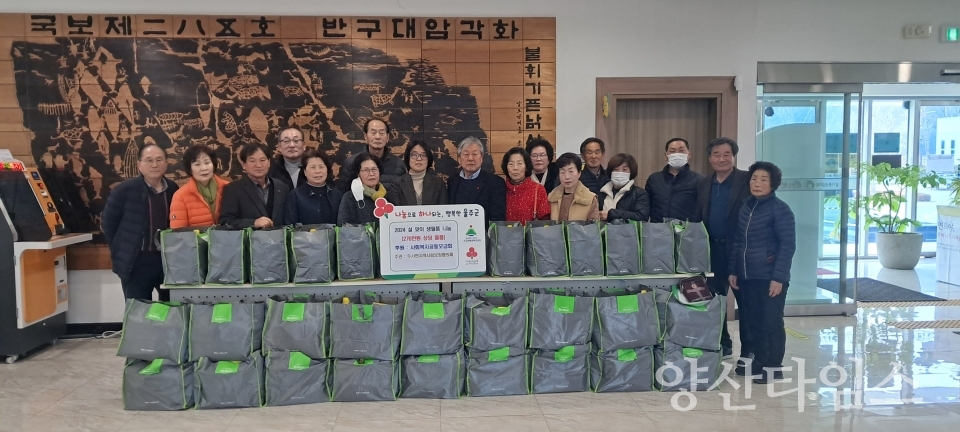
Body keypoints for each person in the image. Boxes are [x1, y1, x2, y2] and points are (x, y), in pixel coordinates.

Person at [728, 161, 796, 384]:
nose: (757, 184)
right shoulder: (746, 207)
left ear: (773, 183)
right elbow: (738, 240)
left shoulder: (781, 209)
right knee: (753, 320)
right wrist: (734, 270)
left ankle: (773, 366)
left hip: (769, 277)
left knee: (771, 322)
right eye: (754, 179)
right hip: (747, 276)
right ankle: (759, 361)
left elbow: (787, 245)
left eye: (763, 180)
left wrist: (778, 278)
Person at [697, 137, 752, 360]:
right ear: (710, 159)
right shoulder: (703, 183)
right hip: (711, 251)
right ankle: (723, 343)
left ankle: (750, 350)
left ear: (734, 157)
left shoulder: (746, 181)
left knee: (745, 303)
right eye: (717, 155)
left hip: (740, 253)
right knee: (714, 300)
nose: (722, 159)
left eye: (726, 154)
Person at [101, 144, 178, 301]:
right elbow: (108, 224)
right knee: (137, 310)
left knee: (172, 308)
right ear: (139, 165)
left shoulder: (173, 189)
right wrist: (121, 248)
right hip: (136, 261)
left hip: (167, 260)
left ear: (166, 163)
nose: (154, 165)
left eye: (159, 160)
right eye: (149, 160)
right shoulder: (123, 191)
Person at [219, 143, 290, 228]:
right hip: (249, 240)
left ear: (269, 162)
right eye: (252, 161)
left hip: (279, 239)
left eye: (262, 160)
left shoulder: (282, 187)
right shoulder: (233, 189)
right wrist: (253, 223)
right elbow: (226, 221)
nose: (258, 165)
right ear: (243, 164)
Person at [448, 137, 507, 225]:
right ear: (459, 158)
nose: (470, 158)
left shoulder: (495, 183)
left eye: (475, 154)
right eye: (466, 154)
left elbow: (497, 218)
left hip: (484, 236)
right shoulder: (452, 182)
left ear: (481, 157)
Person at [169, 144, 229, 228]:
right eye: (197, 164)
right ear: (190, 169)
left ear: (214, 164)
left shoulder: (228, 188)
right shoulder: (180, 196)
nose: (204, 168)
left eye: (207, 162)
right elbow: (178, 234)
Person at [337, 118, 406, 191]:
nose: (377, 137)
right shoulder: (351, 162)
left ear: (387, 137)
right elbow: (343, 193)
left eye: (382, 133)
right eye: (373, 133)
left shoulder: (398, 164)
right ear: (365, 136)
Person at [645, 138, 703, 222]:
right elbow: (647, 207)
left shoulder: (699, 180)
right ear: (666, 156)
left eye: (681, 150)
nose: (677, 154)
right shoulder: (654, 179)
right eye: (672, 151)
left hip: (687, 232)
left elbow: (702, 210)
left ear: (689, 154)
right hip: (658, 231)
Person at [284, 148, 343, 225]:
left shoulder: (337, 195)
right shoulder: (296, 195)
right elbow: (290, 225)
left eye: (321, 167)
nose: (318, 171)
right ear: (305, 171)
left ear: (327, 170)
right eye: (313, 167)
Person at [386, 141, 448, 206]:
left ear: (428, 159)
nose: (419, 159)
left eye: (423, 155)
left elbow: (442, 210)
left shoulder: (438, 183)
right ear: (408, 158)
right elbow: (396, 211)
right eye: (414, 155)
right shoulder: (397, 184)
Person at [502, 147, 550, 224]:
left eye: (519, 163)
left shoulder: (538, 189)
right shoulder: (500, 189)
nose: (515, 168)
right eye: (511, 164)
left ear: (526, 167)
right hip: (504, 235)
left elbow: (545, 222)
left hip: (531, 235)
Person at [338, 153, 390, 225]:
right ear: (358, 174)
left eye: (374, 169)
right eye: (366, 170)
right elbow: (343, 225)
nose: (371, 173)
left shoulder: (387, 196)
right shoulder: (350, 197)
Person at [597, 153, 650, 222]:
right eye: (616, 169)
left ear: (631, 172)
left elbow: (642, 216)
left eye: (624, 170)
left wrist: (611, 214)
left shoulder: (639, 193)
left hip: (628, 232)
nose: (619, 173)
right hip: (605, 232)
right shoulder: (602, 192)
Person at [549, 152, 599, 221]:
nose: (567, 177)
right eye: (562, 172)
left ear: (579, 173)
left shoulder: (590, 199)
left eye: (571, 171)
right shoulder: (551, 197)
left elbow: (594, 228)